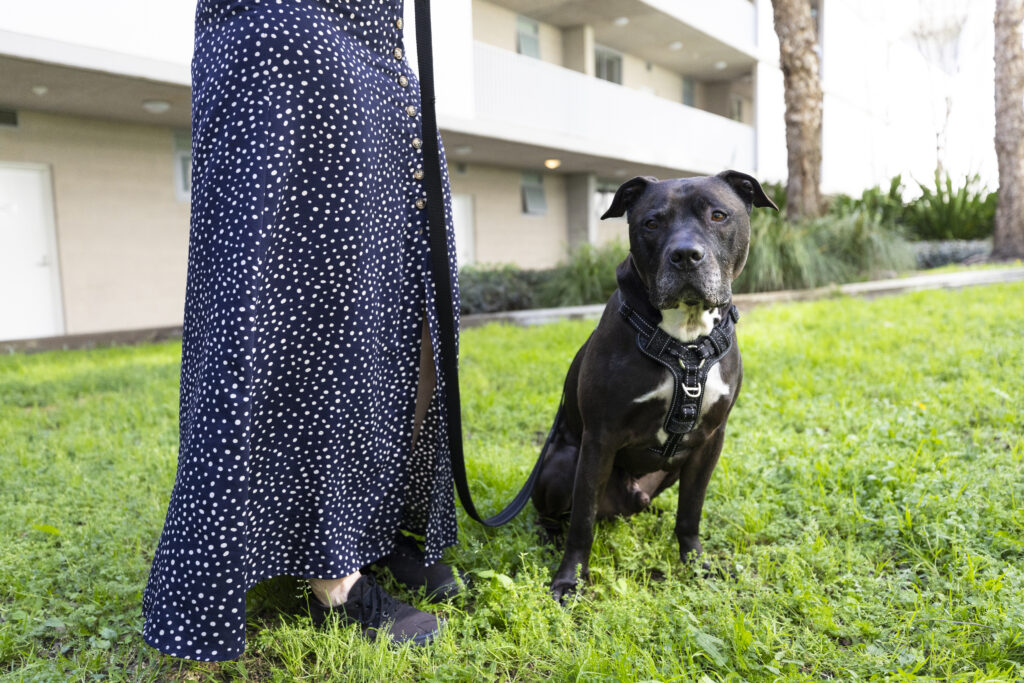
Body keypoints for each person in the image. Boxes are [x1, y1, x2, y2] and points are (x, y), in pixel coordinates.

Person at [141, 0, 463, 661]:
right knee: (298, 303)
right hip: (292, 35)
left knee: (412, 293)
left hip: (380, 46)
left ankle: (372, 521)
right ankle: (333, 577)